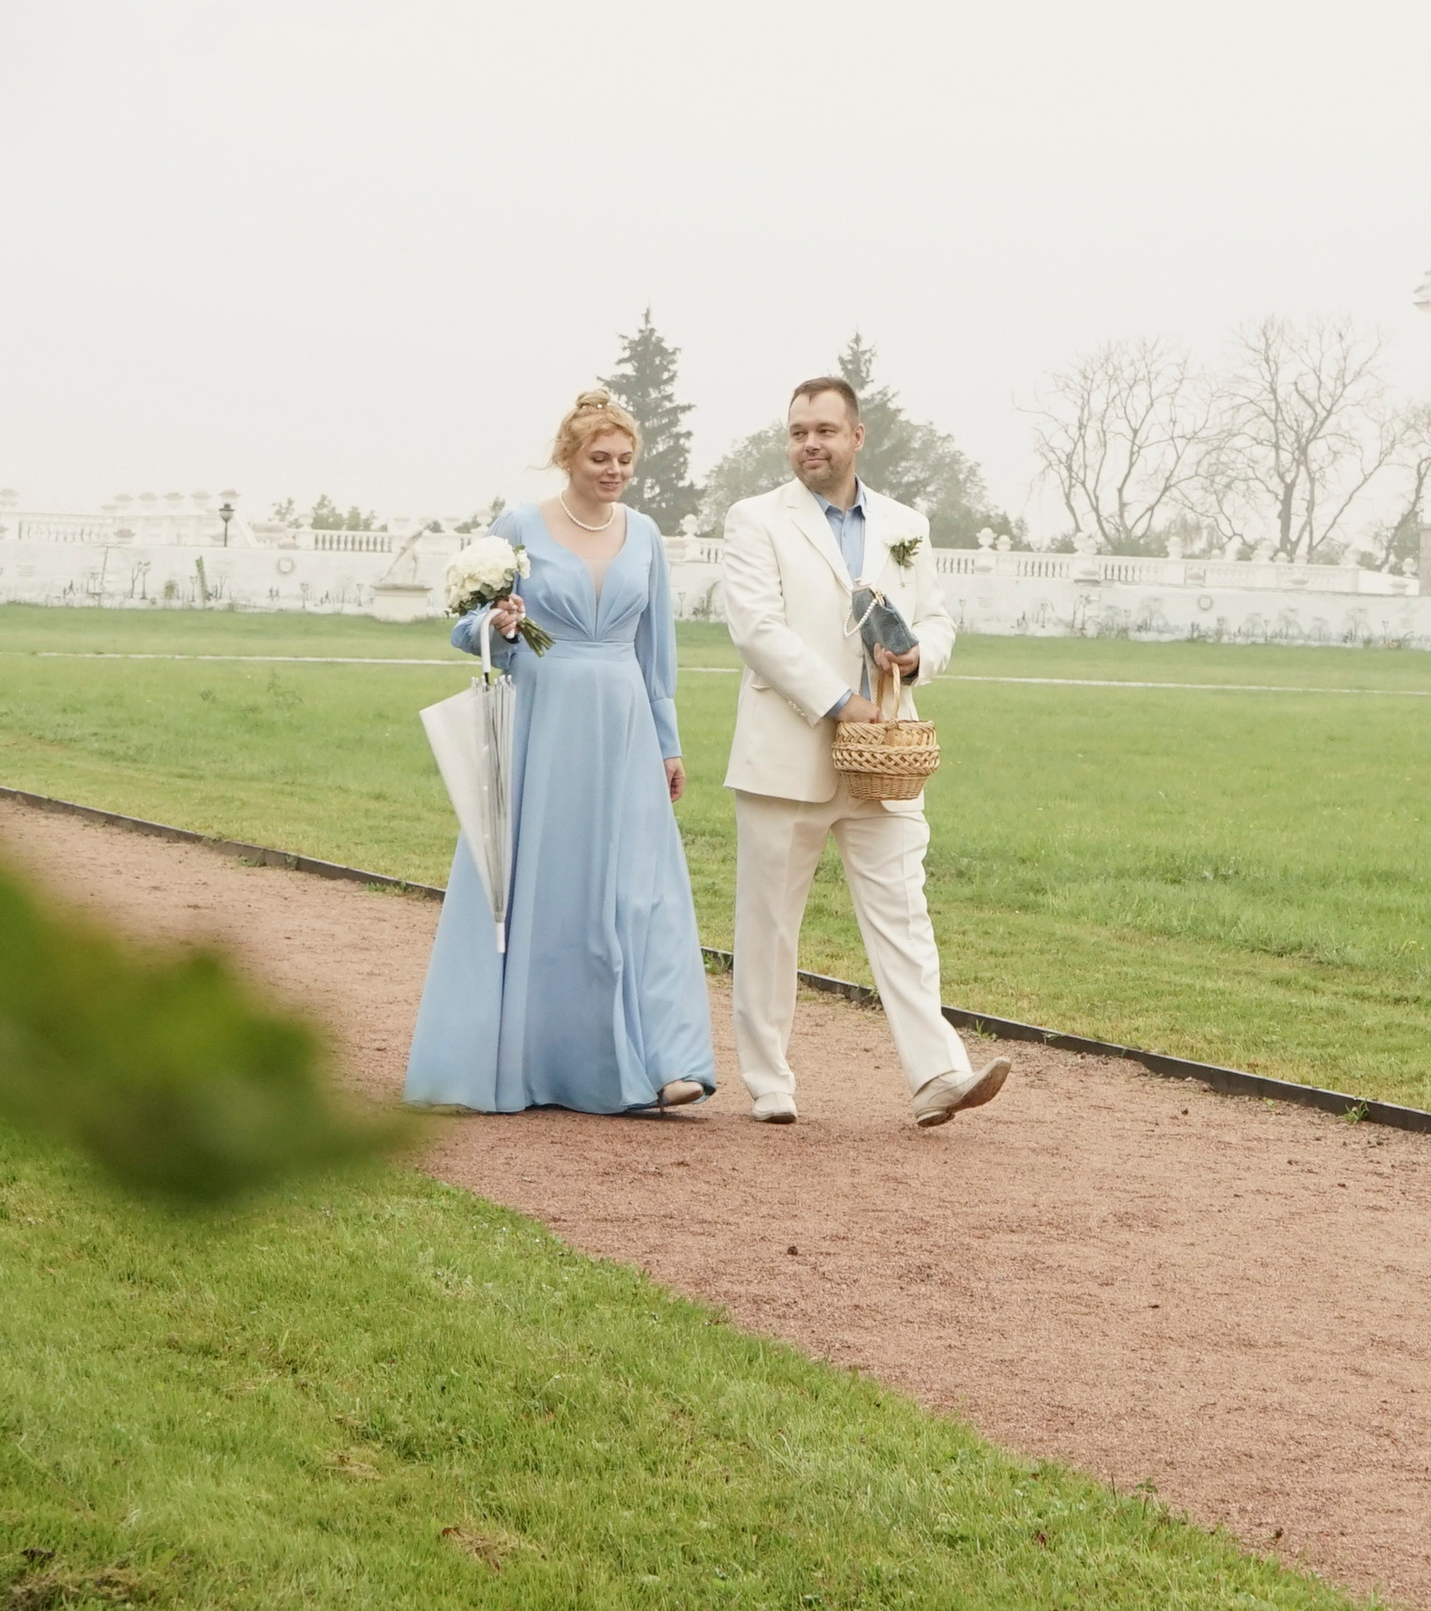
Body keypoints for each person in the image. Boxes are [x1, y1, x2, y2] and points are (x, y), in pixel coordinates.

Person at [403, 387, 717, 1115]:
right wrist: (502, 623)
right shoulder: (518, 526)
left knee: (641, 890)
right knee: (543, 882)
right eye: (599, 458)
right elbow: (462, 627)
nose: (613, 471)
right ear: (567, 459)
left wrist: (669, 744)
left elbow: (655, 650)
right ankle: (529, 1058)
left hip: (628, 726)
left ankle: (664, 1058)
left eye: (624, 460)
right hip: (544, 724)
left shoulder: (644, 534)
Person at [720, 374, 1012, 1128]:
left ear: (858, 437)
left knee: (904, 919)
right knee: (769, 926)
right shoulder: (756, 521)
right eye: (797, 433)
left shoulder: (905, 523)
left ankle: (938, 1075)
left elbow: (937, 620)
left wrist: (917, 661)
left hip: (886, 755)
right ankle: (769, 1081)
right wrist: (837, 702)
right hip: (788, 751)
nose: (809, 444)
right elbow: (758, 629)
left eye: (823, 430)